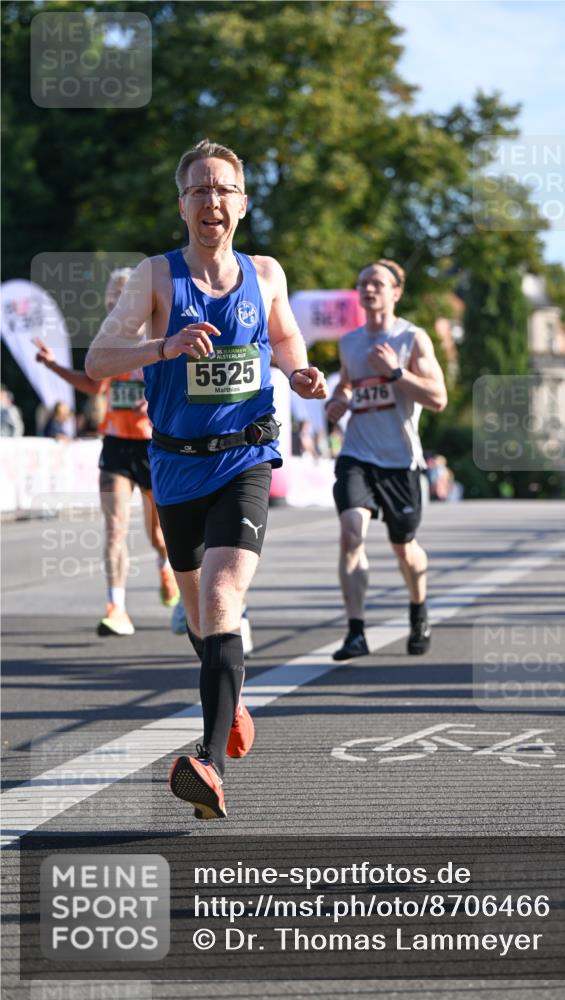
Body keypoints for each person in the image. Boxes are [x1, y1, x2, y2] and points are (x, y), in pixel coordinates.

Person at [85, 139, 326, 819]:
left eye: (223, 189)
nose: (211, 201)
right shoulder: (156, 277)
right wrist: (162, 345)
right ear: (182, 204)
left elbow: (283, 341)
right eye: (198, 190)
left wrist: (297, 371)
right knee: (197, 613)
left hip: (246, 457)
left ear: (242, 204)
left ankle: (209, 763)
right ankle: (230, 701)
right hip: (175, 464)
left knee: (223, 598)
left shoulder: (267, 273)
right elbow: (101, 358)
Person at [34, 269, 180, 636]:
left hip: (154, 445)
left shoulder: (158, 336)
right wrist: (52, 365)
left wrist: (158, 403)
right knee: (114, 527)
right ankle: (116, 607)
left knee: (160, 536)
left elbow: (183, 386)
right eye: (112, 295)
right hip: (115, 445)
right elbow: (93, 386)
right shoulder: (107, 342)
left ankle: (166, 567)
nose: (116, 300)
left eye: (124, 293)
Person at [325, 259, 446, 661]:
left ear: (396, 292)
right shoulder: (350, 342)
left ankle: (418, 610)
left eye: (377, 283)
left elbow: (439, 398)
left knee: (404, 547)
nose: (368, 289)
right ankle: (356, 631)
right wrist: (339, 400)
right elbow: (346, 384)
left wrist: (396, 373)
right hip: (356, 454)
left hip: (400, 460)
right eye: (363, 283)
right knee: (351, 534)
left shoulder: (413, 338)